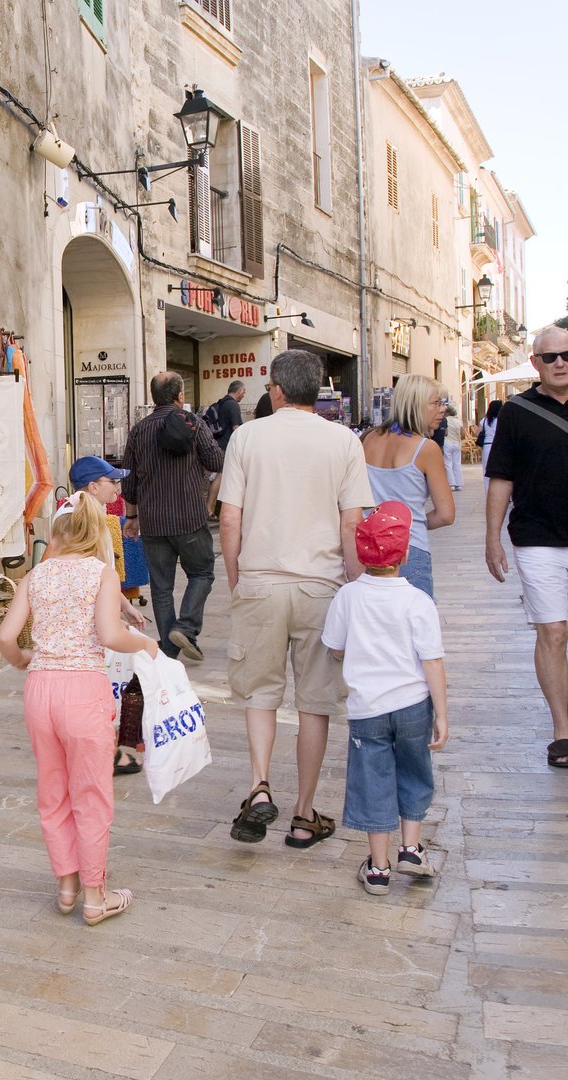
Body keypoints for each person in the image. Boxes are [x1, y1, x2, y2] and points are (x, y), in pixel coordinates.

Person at [219, 349, 374, 847]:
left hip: (260, 581)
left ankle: (260, 787)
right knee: (315, 702)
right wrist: (355, 586)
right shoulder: (344, 442)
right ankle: (305, 814)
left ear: (276, 389)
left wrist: (235, 577)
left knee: (260, 693)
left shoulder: (247, 436)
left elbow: (229, 517)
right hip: (322, 587)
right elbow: (353, 522)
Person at [0, 492, 159, 925]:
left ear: (56, 533)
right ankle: (95, 895)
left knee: (53, 793)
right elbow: (109, 635)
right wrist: (145, 644)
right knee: (91, 795)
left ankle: (66, 885)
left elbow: (6, 638)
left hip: (40, 689)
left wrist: (24, 661)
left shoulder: (37, 575)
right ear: (94, 534)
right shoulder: (102, 574)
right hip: (83, 689)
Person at [322, 501, 449, 895]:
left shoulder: (347, 597)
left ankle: (378, 869)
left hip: (368, 710)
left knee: (373, 781)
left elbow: (335, 648)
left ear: (361, 552)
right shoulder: (418, 602)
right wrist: (442, 714)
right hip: (413, 706)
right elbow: (432, 663)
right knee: (414, 773)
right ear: (405, 554)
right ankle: (411, 849)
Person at [485, 325, 568, 769]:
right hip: (537, 539)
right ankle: (563, 731)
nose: (560, 363)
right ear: (535, 363)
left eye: (566, 355)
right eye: (550, 357)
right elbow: (501, 477)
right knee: (552, 632)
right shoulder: (517, 412)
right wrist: (491, 537)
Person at [120, 372, 225, 664]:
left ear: (154, 397)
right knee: (202, 573)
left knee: (161, 586)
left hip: (153, 522)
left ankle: (168, 647)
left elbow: (128, 481)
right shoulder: (195, 424)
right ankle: (186, 627)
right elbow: (216, 461)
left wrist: (132, 516)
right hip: (189, 517)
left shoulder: (139, 430)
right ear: (180, 396)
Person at [67, 455, 149, 774]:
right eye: (112, 482)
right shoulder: (76, 517)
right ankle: (103, 751)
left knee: (116, 682)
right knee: (117, 681)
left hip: (98, 615)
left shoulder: (94, 513)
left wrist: (125, 606)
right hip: (88, 620)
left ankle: (106, 748)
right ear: (93, 486)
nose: (118, 487)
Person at [359, 375, 455, 599]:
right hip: (409, 550)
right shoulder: (426, 448)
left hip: (369, 549)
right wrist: (409, 522)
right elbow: (446, 514)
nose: (443, 409)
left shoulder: (367, 440)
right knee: (415, 627)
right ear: (416, 404)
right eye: (436, 403)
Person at [205, 380, 246, 517]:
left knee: (219, 476)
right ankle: (209, 509)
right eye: (244, 392)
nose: (244, 395)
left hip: (217, 444)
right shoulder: (233, 405)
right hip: (226, 445)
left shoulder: (221, 402)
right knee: (221, 476)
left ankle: (212, 508)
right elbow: (236, 428)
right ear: (239, 391)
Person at [473, 399, 503, 493]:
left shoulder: (485, 420)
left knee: (486, 472)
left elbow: (477, 433)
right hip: (498, 446)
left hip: (487, 446)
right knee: (499, 471)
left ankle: (488, 493)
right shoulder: (501, 420)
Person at [443, 403, 463, 491]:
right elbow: (462, 434)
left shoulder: (444, 420)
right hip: (457, 443)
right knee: (457, 463)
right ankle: (459, 483)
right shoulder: (458, 421)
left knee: (448, 463)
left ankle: (451, 484)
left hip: (447, 442)